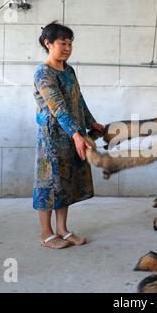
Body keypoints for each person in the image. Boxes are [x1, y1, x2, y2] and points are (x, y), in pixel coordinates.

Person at [33, 21, 105, 249]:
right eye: (62, 43)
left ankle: (63, 230)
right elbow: (57, 106)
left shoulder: (69, 69)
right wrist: (76, 134)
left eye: (70, 43)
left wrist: (91, 122)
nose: (67, 48)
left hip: (73, 135)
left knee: (65, 184)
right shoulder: (43, 73)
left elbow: (78, 99)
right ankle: (46, 234)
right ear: (48, 43)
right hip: (52, 138)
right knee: (48, 185)